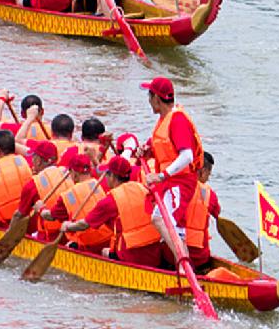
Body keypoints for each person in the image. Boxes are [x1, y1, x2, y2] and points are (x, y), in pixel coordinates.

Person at [141, 76, 205, 268]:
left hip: (180, 181)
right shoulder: (164, 120)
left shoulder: (177, 119)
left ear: (157, 99)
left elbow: (187, 155)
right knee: (177, 230)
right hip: (172, 181)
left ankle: (185, 266)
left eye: (149, 96)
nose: (148, 101)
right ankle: (185, 271)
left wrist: (162, 175)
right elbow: (165, 146)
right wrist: (147, 150)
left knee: (159, 218)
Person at [57, 155, 166, 267]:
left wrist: (68, 226)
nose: (105, 178)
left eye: (107, 174)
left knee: (104, 251)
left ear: (113, 176)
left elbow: (84, 225)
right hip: (154, 252)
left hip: (130, 257)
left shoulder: (110, 200)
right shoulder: (143, 188)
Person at [40, 154, 113, 252]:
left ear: (74, 173)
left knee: (69, 238)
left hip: (90, 245)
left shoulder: (68, 195)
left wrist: (40, 209)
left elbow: (51, 216)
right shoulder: (102, 184)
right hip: (109, 240)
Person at [15, 140, 72, 239]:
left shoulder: (32, 185)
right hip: (71, 234)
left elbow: (19, 217)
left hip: (49, 236)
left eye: (33, 157)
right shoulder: (68, 173)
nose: (32, 160)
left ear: (38, 160)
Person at [184, 152, 221, 272]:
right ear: (203, 171)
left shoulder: (176, 186)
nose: (208, 178)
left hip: (174, 253)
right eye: (208, 174)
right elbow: (217, 212)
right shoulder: (210, 194)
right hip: (198, 257)